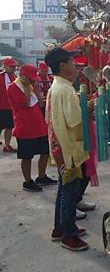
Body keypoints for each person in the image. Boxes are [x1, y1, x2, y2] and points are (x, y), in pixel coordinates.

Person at [45, 47, 94, 251]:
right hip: (69, 147)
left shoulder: (57, 86)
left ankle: (61, 227)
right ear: (63, 65)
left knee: (64, 189)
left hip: (62, 144)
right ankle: (68, 235)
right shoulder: (64, 89)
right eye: (73, 63)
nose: (76, 67)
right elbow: (75, 119)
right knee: (70, 192)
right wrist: (92, 105)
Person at [7, 64, 58, 192]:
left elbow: (39, 103)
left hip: (38, 125)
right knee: (27, 156)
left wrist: (33, 87)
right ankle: (27, 181)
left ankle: (41, 176)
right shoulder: (13, 88)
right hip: (25, 126)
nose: (33, 80)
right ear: (23, 76)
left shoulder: (31, 86)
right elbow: (26, 103)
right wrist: (26, 88)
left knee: (45, 152)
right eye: (30, 78)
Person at [0, 57, 18, 152]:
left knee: (9, 127)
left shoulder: (15, 77)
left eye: (14, 66)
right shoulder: (1, 77)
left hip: (10, 107)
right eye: (11, 66)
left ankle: (7, 145)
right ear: (5, 67)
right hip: (1, 106)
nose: (13, 68)